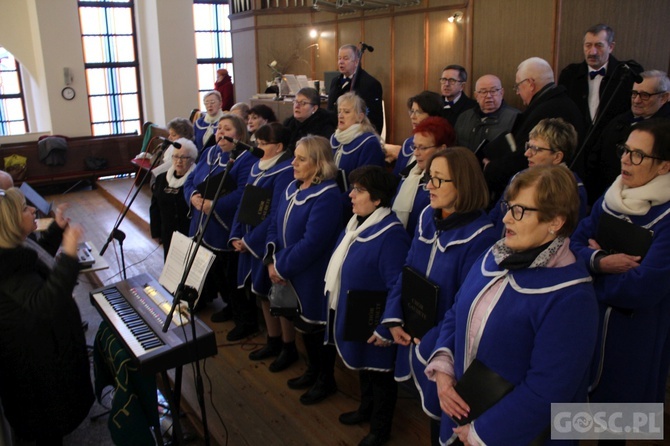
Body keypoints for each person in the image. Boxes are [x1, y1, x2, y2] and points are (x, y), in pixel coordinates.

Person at [427, 166, 598, 445]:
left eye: (519, 210)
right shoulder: (495, 256)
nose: (506, 217)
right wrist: (445, 368)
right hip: (463, 413)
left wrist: (482, 433)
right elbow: (457, 311)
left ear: (555, 220)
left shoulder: (572, 298)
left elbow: (548, 390)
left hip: (511, 434)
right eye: (508, 206)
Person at [383, 147, 497, 445]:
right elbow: (408, 269)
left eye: (438, 180)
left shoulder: (481, 236)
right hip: (413, 330)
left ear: (463, 184)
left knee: (443, 423)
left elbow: (465, 306)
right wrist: (394, 316)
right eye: (429, 178)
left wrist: (431, 341)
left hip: (443, 346)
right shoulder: (427, 217)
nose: (429, 186)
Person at [571, 120, 670, 422]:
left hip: (635, 331)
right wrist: (601, 262)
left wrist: (587, 281)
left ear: (664, 166)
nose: (625, 159)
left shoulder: (665, 217)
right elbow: (573, 244)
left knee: (620, 418)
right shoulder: (612, 196)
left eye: (638, 155)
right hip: (592, 320)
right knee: (576, 415)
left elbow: (643, 288)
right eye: (625, 150)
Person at [0, 188, 94, 444]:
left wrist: (56, 230)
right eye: (24, 208)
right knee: (43, 434)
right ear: (8, 222)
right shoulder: (5, 268)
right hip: (33, 373)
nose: (32, 210)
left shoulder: (13, 249)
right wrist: (70, 255)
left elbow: (35, 262)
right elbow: (46, 302)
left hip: (40, 358)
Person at [325, 165, 411, 446]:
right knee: (365, 369)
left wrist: (386, 326)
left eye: (359, 190)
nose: (351, 195)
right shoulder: (356, 223)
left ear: (378, 199)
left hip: (376, 317)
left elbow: (398, 283)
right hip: (358, 311)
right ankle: (365, 409)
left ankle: (380, 429)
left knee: (380, 377)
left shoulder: (391, 234)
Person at [265, 135, 343, 405]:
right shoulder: (292, 187)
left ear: (319, 163)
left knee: (315, 328)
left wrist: (281, 266)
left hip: (312, 275)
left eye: (301, 158)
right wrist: (272, 259)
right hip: (289, 269)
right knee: (301, 326)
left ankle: (325, 379)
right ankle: (312, 370)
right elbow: (275, 223)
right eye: (294, 156)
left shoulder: (328, 196)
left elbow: (313, 244)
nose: (293, 163)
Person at [229, 123, 297, 372]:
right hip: (247, 239)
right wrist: (236, 234)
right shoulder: (257, 166)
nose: (258, 148)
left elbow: (276, 213)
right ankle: (273, 339)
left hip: (269, 242)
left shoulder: (284, 170)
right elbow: (245, 202)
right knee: (260, 294)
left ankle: (288, 346)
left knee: (276, 296)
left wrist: (250, 241)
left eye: (263, 144)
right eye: (256, 143)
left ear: (278, 147)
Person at [184, 113, 258, 333]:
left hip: (227, 226)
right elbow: (190, 180)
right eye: (218, 129)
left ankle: (245, 321)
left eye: (227, 129)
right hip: (202, 223)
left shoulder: (247, 158)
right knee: (216, 274)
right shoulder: (209, 152)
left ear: (240, 134)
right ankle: (229, 306)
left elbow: (244, 193)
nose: (221, 133)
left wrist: (213, 204)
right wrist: (192, 197)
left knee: (231, 276)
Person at [483, 57, 584, 204]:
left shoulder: (548, 109)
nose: (517, 92)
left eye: (518, 86)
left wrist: (492, 169)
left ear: (530, 84)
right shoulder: (559, 103)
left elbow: (523, 158)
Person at [489, 118, 588, 235]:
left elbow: (567, 236)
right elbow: (495, 216)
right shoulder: (519, 177)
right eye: (528, 146)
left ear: (557, 157)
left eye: (536, 149)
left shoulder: (572, 190)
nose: (527, 154)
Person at [585, 70, 670, 203]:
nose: (637, 100)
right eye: (634, 94)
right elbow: (595, 157)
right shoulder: (618, 121)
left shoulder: (665, 131)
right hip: (606, 196)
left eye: (645, 95)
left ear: (664, 97)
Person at [558, 24, 643, 144]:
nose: (592, 52)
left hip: (613, 146)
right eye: (588, 45)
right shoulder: (569, 75)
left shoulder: (626, 75)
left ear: (611, 47)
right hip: (578, 146)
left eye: (599, 45)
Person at [391, 116, 454, 236]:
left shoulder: (445, 183)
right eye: (415, 147)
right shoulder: (410, 173)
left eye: (423, 148)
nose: (416, 153)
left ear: (442, 149)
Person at [150, 138, 198, 259]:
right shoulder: (162, 179)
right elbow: (155, 205)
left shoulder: (197, 179)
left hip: (190, 233)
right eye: (175, 157)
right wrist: (156, 232)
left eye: (184, 157)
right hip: (168, 233)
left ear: (192, 160)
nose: (179, 161)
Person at [454, 74, 520, 157]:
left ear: (502, 93)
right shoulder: (464, 117)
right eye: (483, 92)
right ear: (476, 96)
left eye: (493, 91)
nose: (488, 96)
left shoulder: (516, 117)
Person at [382, 91, 444, 175]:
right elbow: (396, 176)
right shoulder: (408, 143)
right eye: (412, 111)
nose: (412, 117)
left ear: (433, 115)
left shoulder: (439, 144)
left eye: (418, 112)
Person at [327, 44, 384, 133]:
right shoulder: (335, 81)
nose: (341, 62)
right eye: (339, 58)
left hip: (358, 135)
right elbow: (330, 110)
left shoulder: (370, 84)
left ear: (356, 62)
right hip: (335, 134)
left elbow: (375, 119)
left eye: (345, 58)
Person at [284, 87, 336, 153]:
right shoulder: (289, 124)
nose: (297, 106)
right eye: (296, 101)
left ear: (314, 108)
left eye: (303, 103)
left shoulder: (323, 128)